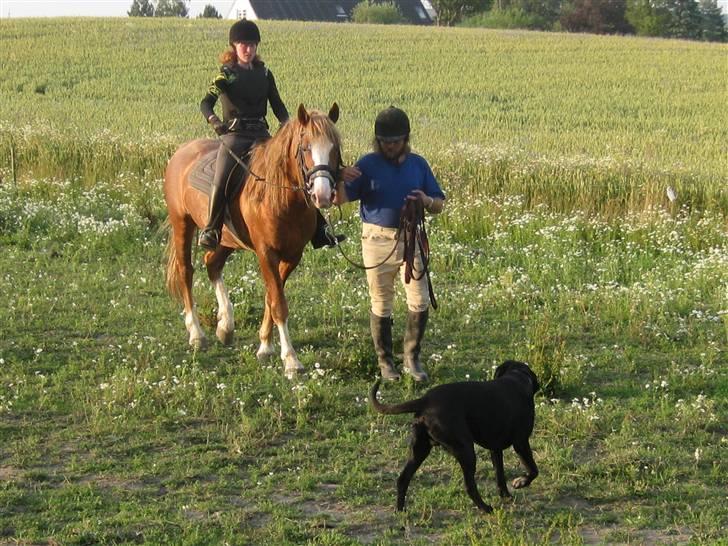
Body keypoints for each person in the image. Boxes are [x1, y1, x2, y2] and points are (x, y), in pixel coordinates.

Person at [199, 19, 341, 251]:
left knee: (297, 170)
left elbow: (278, 107)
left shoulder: (265, 74)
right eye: (243, 44)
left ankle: (319, 230)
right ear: (233, 46)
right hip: (234, 136)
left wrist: (291, 129)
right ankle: (212, 228)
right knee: (222, 176)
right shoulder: (224, 76)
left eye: (252, 44)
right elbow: (205, 104)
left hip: (262, 135)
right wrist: (215, 122)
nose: (248, 49)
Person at [339, 107, 445, 382]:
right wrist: (339, 177)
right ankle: (385, 362)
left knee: (419, 299)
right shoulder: (366, 164)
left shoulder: (419, 165)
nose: (390, 147)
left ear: (406, 139)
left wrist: (426, 200)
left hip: (412, 238)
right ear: (377, 141)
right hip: (377, 239)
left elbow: (439, 204)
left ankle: (411, 356)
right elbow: (337, 199)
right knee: (381, 300)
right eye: (385, 142)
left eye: (395, 142)